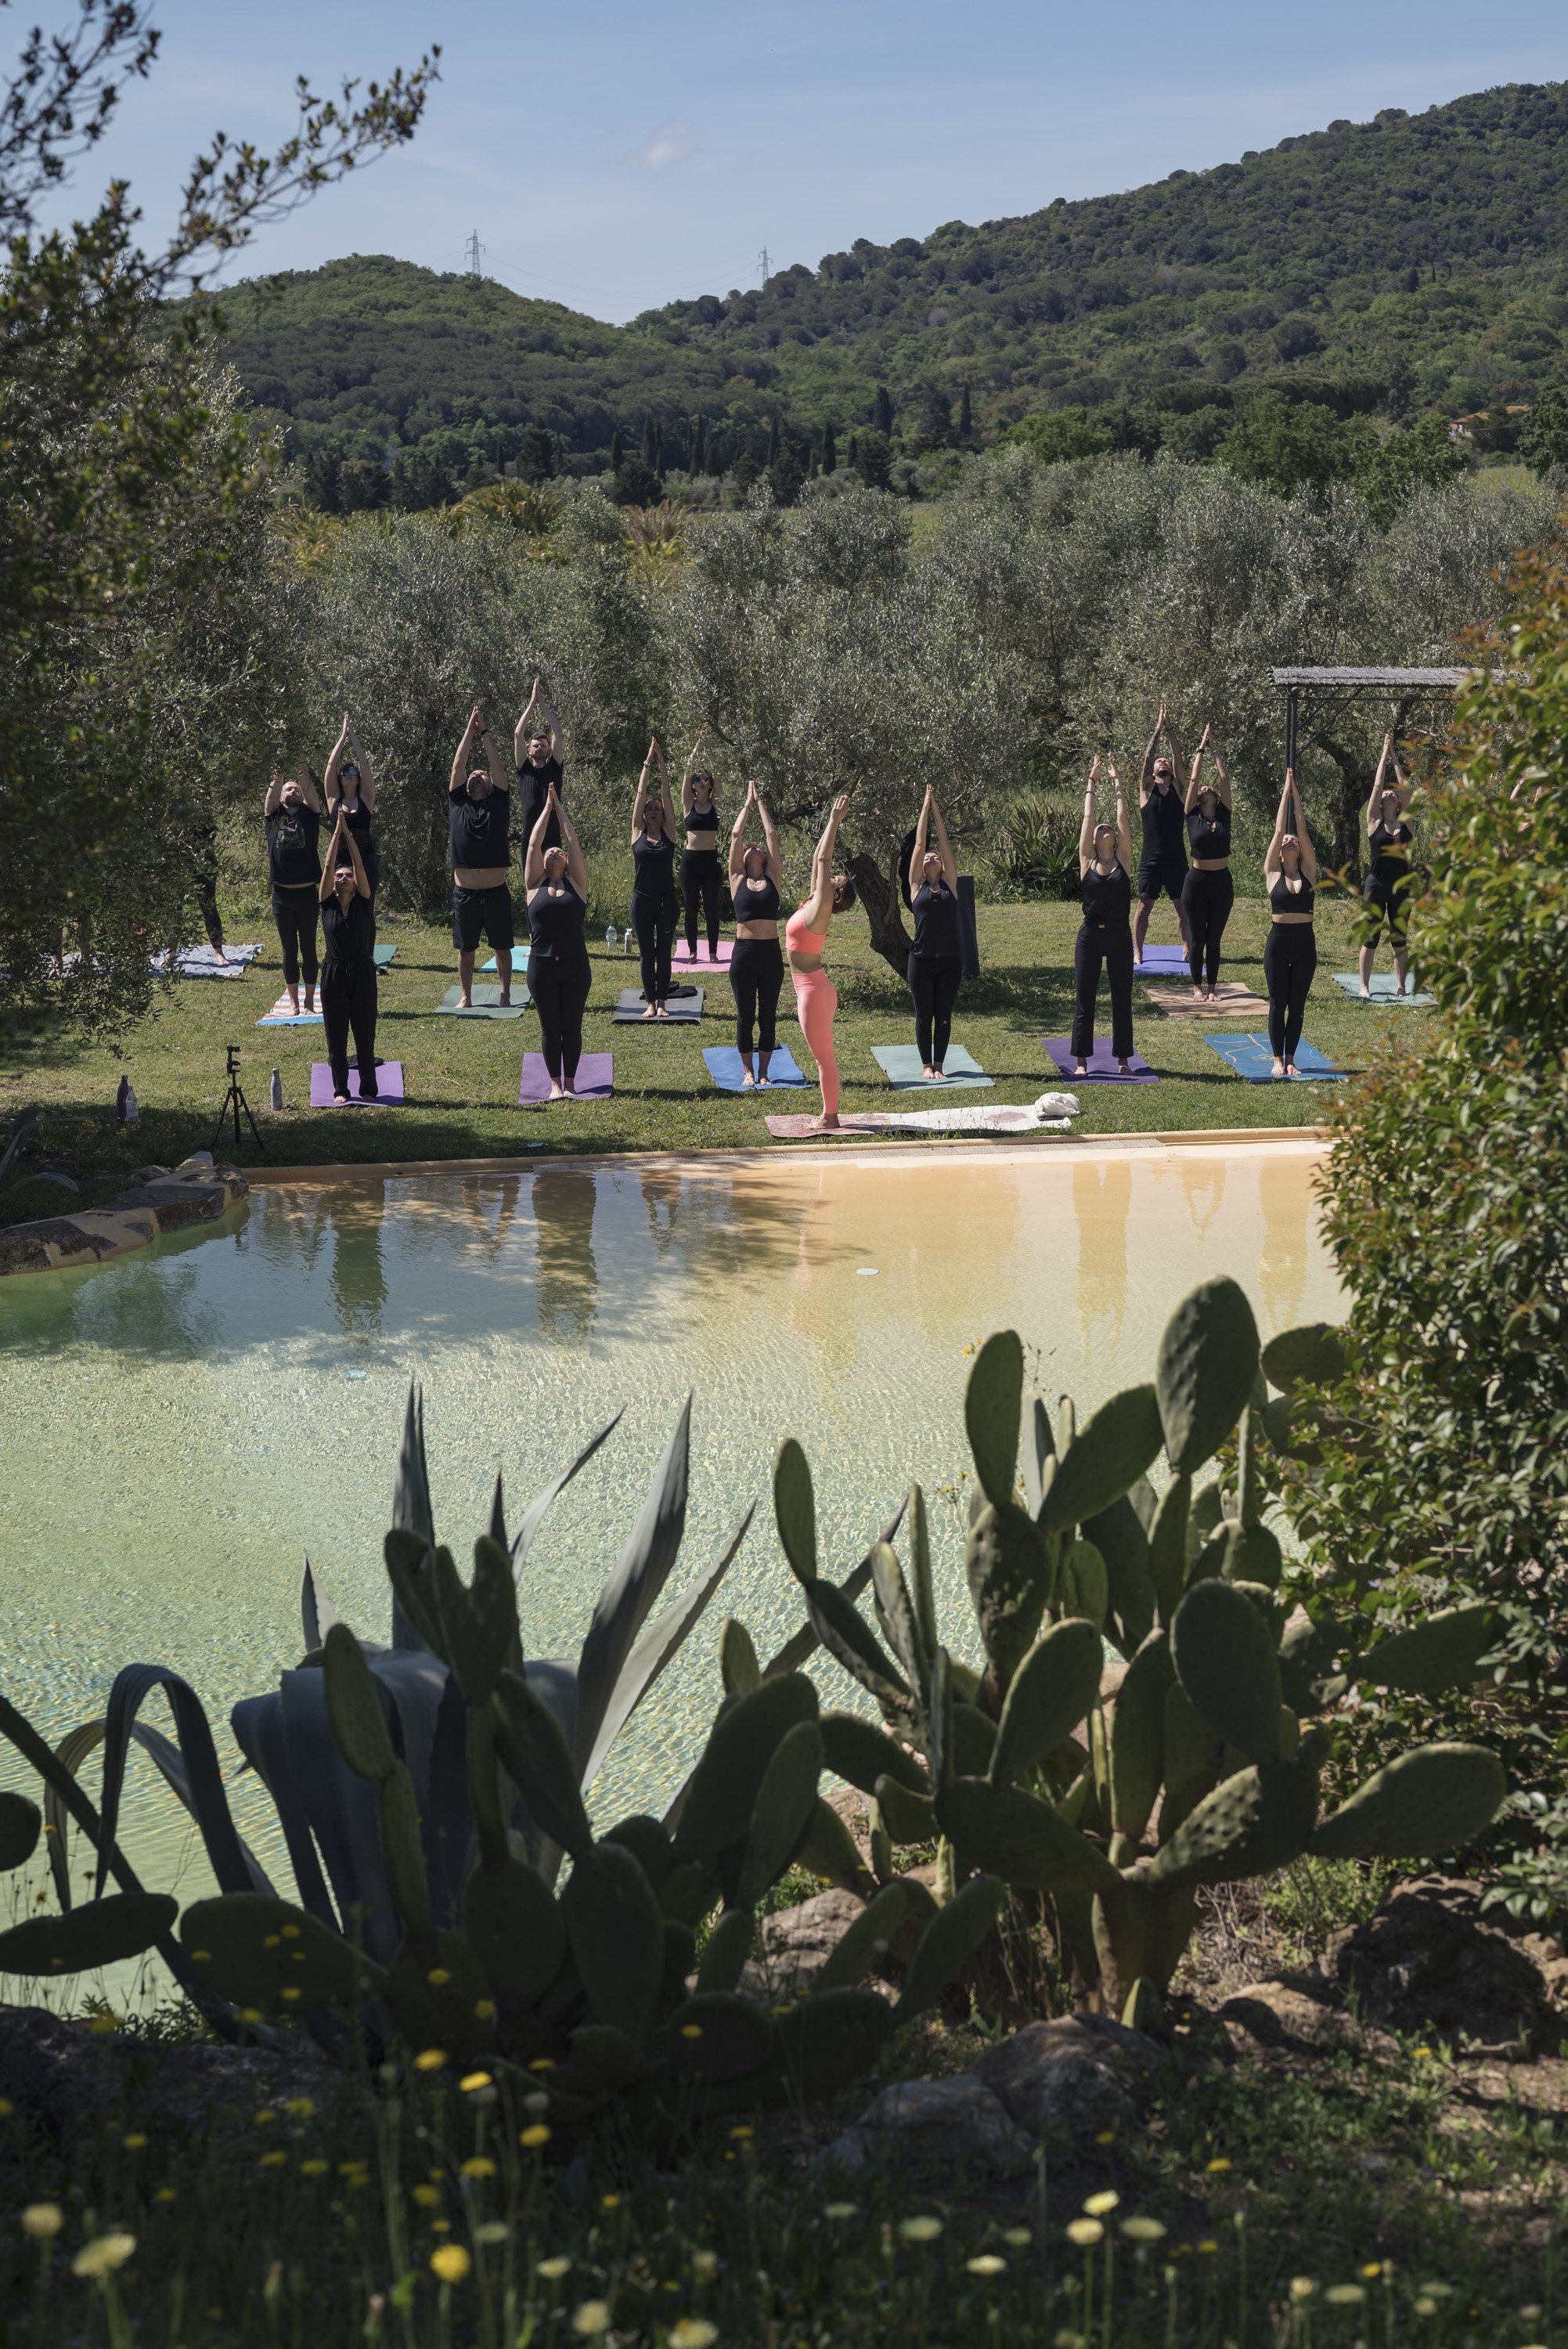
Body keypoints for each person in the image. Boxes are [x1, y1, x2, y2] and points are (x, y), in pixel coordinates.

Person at [785, 795, 856, 1131]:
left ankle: (830, 1117)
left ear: (836, 895)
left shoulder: (822, 906)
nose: (829, 876)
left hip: (813, 991)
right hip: (810, 988)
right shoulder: (815, 902)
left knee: (823, 1058)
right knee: (821, 1057)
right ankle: (829, 1113)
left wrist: (834, 820)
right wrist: (830, 823)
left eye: (835, 880)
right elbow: (818, 858)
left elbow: (825, 857)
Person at [524, 782, 593, 1100]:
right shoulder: (533, 885)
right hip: (541, 965)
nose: (554, 850)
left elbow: (573, 840)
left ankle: (573, 1082)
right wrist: (546, 809)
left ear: (566, 861)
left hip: (576, 965)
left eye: (559, 851)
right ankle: (555, 1085)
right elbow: (534, 841)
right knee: (551, 1029)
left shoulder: (577, 885)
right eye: (549, 852)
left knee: (572, 1028)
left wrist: (560, 807)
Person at [1071, 755, 1134, 1077]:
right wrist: (1092, 783)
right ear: (1094, 840)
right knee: (1086, 999)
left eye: (1109, 827)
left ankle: (1123, 1061)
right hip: (1091, 936)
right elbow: (1087, 817)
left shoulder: (1123, 859)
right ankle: (1081, 1062)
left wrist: (1118, 783)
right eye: (1100, 828)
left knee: (1122, 1000)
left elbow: (1123, 818)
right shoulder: (1087, 860)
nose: (1105, 825)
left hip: (1121, 935)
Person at [448, 704, 513, 1009]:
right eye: (473, 775)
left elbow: (497, 766)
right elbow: (458, 765)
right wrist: (467, 733)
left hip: (496, 891)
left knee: (502, 946)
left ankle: (505, 994)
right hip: (465, 893)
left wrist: (484, 732)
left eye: (481, 774)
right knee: (466, 949)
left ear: (489, 784)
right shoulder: (458, 803)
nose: (476, 775)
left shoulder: (499, 803)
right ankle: (466, 996)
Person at [316, 807, 377, 1104]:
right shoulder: (326, 904)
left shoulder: (364, 902)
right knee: (336, 1037)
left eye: (347, 875)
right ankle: (341, 1090)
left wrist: (349, 835)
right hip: (333, 974)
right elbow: (327, 866)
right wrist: (335, 834)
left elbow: (361, 867)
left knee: (365, 1035)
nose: (342, 877)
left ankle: (368, 1088)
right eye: (339, 875)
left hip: (363, 973)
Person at [727, 781, 784, 1085]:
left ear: (763, 856)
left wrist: (760, 801)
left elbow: (772, 835)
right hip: (744, 953)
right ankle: (747, 1072)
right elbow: (736, 835)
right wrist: (746, 805)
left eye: (756, 847)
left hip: (770, 954)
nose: (751, 847)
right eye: (747, 848)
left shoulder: (774, 877)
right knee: (745, 1015)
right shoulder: (736, 878)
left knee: (768, 1016)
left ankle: (764, 1073)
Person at [1263, 769, 1317, 1078]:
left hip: (1304, 944)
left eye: (1292, 839)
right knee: (1277, 1002)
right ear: (1280, 853)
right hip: (1278, 943)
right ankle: (1276, 1060)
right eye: (1285, 841)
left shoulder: (1309, 872)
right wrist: (1284, 795)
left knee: (1297, 1004)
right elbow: (1276, 831)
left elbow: (1303, 831)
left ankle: (1292, 1058)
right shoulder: (1273, 875)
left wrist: (1296, 797)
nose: (1290, 840)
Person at [907, 785, 964, 1078]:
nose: (930, 858)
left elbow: (944, 844)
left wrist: (937, 809)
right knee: (923, 1014)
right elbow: (919, 845)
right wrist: (924, 809)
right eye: (927, 858)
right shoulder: (916, 887)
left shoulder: (950, 884)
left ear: (942, 865)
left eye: (935, 858)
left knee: (943, 1015)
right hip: (921, 959)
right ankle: (926, 1065)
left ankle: (939, 1065)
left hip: (950, 959)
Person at [263, 760, 323, 1015]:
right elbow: (273, 789)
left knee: (309, 948)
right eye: (288, 789)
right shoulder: (273, 816)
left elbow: (308, 787)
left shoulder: (311, 816)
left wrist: (301, 768)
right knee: (289, 950)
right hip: (282, 895)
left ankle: (309, 1002)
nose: (293, 791)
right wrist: (278, 760)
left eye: (296, 789)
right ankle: (294, 1004)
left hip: (308, 893)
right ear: (280, 795)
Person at [1135, 702, 1191, 967]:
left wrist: (1170, 730)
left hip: (1176, 858)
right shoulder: (1147, 791)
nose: (1163, 761)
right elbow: (1147, 759)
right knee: (1144, 906)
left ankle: (1186, 948)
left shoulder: (1179, 790)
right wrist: (1157, 728)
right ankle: (1138, 951)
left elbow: (1179, 760)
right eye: (1160, 761)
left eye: (1164, 760)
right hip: (1151, 859)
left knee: (1182, 906)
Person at [1361, 732, 1415, 998]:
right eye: (1386, 793)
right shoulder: (1374, 823)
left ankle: (1401, 986)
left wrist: (1395, 757)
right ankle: (1364, 986)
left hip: (1401, 887)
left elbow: (1404, 786)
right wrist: (1383, 756)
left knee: (1400, 940)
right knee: (1370, 938)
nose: (1391, 793)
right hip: (1376, 885)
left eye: (1393, 793)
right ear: (1381, 803)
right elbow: (1376, 785)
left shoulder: (1407, 825)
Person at [1181, 723, 1233, 1001]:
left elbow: (1224, 779)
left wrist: (1215, 750)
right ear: (1199, 799)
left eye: (1209, 787)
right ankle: (1196, 987)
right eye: (1203, 788)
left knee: (1215, 939)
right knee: (1197, 938)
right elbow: (1192, 779)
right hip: (1197, 882)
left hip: (1222, 881)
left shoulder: (1224, 814)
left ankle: (1212, 989)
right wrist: (1200, 748)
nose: (1206, 786)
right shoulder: (1192, 816)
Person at [630, 739, 680, 1019]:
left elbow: (668, 797)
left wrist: (662, 764)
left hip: (666, 902)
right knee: (646, 954)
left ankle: (662, 1003)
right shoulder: (637, 834)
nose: (652, 812)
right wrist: (647, 764)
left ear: (662, 816)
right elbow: (640, 794)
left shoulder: (669, 834)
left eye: (657, 810)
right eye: (649, 809)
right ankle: (650, 1003)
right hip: (642, 902)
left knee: (663, 953)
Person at [680, 729, 723, 961]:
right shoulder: (689, 805)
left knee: (711, 909)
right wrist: (697, 745)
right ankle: (693, 952)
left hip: (710, 861)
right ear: (693, 786)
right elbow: (687, 772)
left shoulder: (716, 804)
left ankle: (714, 953)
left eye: (705, 779)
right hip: (690, 862)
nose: (701, 781)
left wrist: (709, 747)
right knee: (692, 908)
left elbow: (718, 775)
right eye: (698, 779)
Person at [324, 713, 378, 895]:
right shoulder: (333, 799)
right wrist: (342, 737)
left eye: (352, 771)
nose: (348, 773)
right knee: (340, 904)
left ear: (358, 778)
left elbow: (365, 765)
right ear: (339, 779)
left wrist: (352, 736)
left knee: (366, 907)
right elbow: (331, 765)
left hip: (366, 860)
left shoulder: (366, 799)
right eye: (344, 771)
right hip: (340, 862)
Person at [513, 676, 564, 853]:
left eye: (543, 745)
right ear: (528, 750)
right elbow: (518, 735)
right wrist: (531, 704)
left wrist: (542, 704)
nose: (540, 747)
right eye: (535, 745)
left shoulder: (554, 768)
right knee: (531, 882)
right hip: (529, 836)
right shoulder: (524, 769)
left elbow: (558, 733)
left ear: (549, 750)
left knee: (555, 881)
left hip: (552, 835)